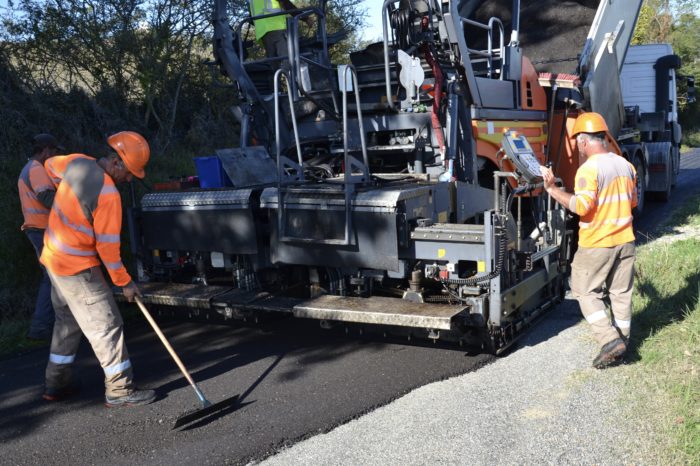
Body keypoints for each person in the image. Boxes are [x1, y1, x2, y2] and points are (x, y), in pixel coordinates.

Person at [40, 131, 156, 407]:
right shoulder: (108, 194)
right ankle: (120, 390)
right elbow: (108, 250)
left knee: (67, 324)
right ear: (116, 162)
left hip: (54, 261)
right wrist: (125, 283)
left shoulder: (78, 163)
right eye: (128, 173)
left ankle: (56, 383)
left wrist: (64, 192)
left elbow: (48, 166)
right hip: (78, 268)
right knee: (106, 325)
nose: (129, 179)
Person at [540, 112, 637, 369]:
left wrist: (552, 190)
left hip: (597, 242)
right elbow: (633, 202)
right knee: (621, 293)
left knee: (584, 290)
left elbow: (581, 206)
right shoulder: (626, 165)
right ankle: (623, 342)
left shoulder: (588, 169)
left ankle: (609, 339)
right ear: (604, 137)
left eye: (577, 143)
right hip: (625, 239)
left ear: (583, 141)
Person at [18, 134, 64, 341]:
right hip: (41, 230)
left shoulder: (28, 168)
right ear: (45, 150)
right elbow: (46, 197)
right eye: (53, 152)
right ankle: (40, 327)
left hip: (38, 230)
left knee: (54, 278)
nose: (54, 156)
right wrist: (71, 199)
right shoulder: (36, 169)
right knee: (52, 277)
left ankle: (50, 323)